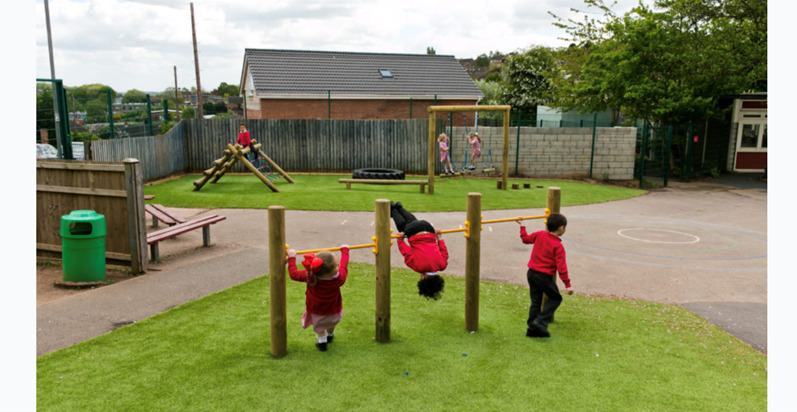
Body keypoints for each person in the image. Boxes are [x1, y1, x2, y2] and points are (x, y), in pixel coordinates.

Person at [516, 213, 573, 338]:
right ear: (561, 228)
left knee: (536, 302)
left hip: (531, 274)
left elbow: (525, 239)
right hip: (543, 277)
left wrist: (522, 226)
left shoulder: (539, 235)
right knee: (556, 298)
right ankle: (540, 322)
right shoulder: (558, 246)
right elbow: (561, 267)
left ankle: (532, 330)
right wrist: (568, 285)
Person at [286, 245, 350, 352]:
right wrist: (345, 251)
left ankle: (322, 342)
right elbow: (344, 266)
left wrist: (291, 257)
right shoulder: (339, 278)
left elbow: (293, 274)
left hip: (316, 311)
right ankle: (330, 335)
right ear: (335, 268)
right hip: (334, 310)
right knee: (331, 323)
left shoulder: (310, 276)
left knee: (320, 328)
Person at [390, 201, 448, 300]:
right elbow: (407, 253)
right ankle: (392, 209)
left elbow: (444, 251)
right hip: (413, 232)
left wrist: (439, 238)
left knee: (412, 221)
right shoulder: (419, 267)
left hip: (428, 228)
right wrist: (400, 240)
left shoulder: (442, 266)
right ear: (424, 279)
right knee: (402, 226)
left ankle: (399, 207)